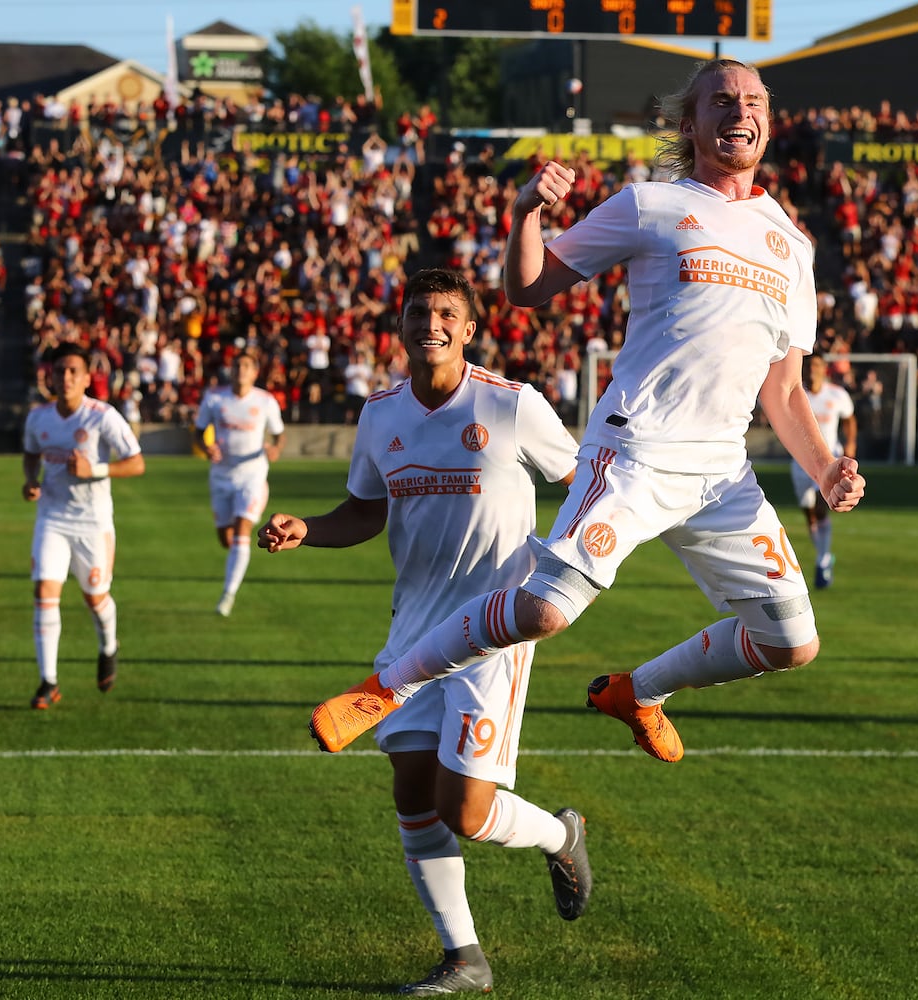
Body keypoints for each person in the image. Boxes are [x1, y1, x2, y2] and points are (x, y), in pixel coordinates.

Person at [307, 59, 865, 764]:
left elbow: (783, 390)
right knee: (543, 611)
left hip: (724, 472)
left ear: (767, 120)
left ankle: (639, 693)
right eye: (720, 100)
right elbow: (529, 287)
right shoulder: (649, 204)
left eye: (752, 100)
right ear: (688, 124)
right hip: (636, 451)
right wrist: (526, 215)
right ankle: (386, 689)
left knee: (790, 642)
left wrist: (823, 469)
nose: (739, 112)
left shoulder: (791, 244)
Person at [258, 268, 589, 995]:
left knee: (465, 811)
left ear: (469, 329)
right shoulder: (381, 416)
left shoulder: (512, 406)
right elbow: (364, 510)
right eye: (418, 312)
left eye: (447, 314)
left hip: (492, 635)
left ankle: (561, 836)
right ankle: (463, 957)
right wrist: (305, 529)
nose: (430, 324)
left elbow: (586, 481)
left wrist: (562, 571)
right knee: (412, 790)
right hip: (413, 630)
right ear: (400, 325)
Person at [21, 342, 145, 709]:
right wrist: (30, 480)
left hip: (93, 524)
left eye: (74, 370)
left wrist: (97, 470)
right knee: (45, 594)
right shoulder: (38, 418)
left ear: (87, 377)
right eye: (60, 370)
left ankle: (108, 646)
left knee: (94, 598)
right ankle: (49, 681)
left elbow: (137, 462)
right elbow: (31, 455)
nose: (67, 377)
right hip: (52, 519)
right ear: (51, 377)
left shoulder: (102, 416)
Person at [194, 352, 285, 617]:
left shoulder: (265, 401)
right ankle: (236, 560)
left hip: (252, 475)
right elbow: (199, 433)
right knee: (227, 538)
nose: (241, 369)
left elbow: (279, 435)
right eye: (237, 365)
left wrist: (276, 449)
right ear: (230, 370)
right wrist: (206, 447)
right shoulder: (214, 398)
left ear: (255, 372)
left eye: (246, 365)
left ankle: (228, 594)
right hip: (221, 476)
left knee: (242, 528)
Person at [790, 353, 857, 589]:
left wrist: (850, 443)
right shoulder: (797, 396)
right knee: (809, 512)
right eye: (808, 365)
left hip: (829, 464)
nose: (812, 370)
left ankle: (823, 560)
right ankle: (822, 554)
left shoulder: (837, 395)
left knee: (821, 507)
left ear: (824, 369)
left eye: (816, 365)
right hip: (800, 463)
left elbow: (849, 419)